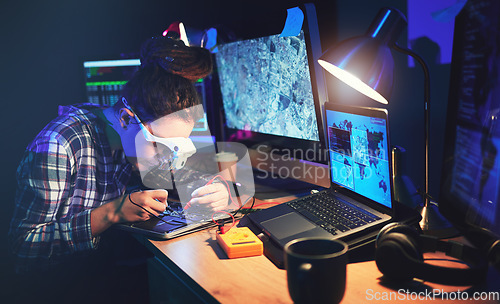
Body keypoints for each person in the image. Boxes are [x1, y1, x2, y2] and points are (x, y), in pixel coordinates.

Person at [8, 36, 228, 303]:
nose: (165, 161)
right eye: (160, 148)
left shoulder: (132, 142)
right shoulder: (58, 145)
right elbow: (22, 250)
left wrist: (217, 189)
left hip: (103, 276)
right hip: (55, 290)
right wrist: (111, 213)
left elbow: (183, 178)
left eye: (176, 151)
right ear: (126, 118)